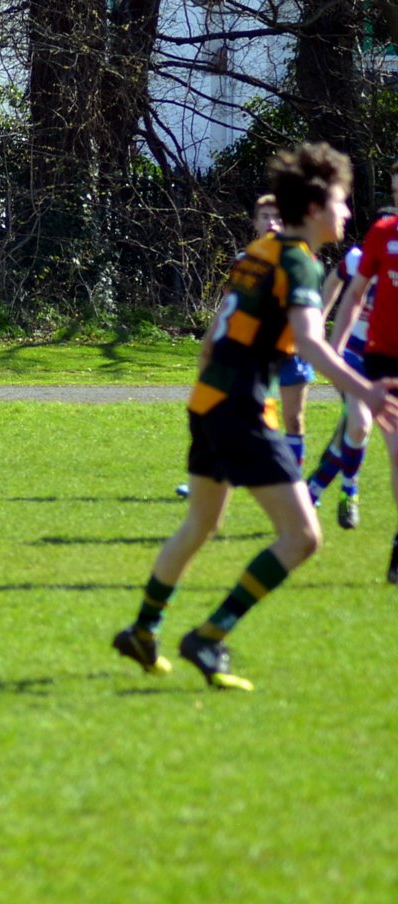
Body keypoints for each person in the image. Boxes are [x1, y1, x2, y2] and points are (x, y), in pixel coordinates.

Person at [113, 142, 398, 691]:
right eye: (341, 201)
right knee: (302, 537)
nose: (347, 212)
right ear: (314, 207)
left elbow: (216, 338)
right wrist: (364, 388)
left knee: (200, 523)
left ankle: (144, 630)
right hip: (241, 408)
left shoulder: (260, 250)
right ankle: (209, 636)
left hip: (207, 400)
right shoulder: (299, 261)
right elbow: (310, 343)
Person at [307, 164, 398, 531]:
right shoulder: (360, 258)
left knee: (351, 431)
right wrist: (319, 324)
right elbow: (332, 287)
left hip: (380, 358)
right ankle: (349, 489)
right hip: (352, 357)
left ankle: (314, 489)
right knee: (359, 425)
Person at [178, 195, 286, 499]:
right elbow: (229, 303)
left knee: (288, 418)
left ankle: (291, 481)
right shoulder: (246, 260)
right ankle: (211, 478)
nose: (272, 223)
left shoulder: (293, 262)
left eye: (278, 217)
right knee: (225, 416)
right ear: (254, 223)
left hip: (276, 356)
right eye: (265, 217)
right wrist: (210, 339)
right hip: (238, 357)